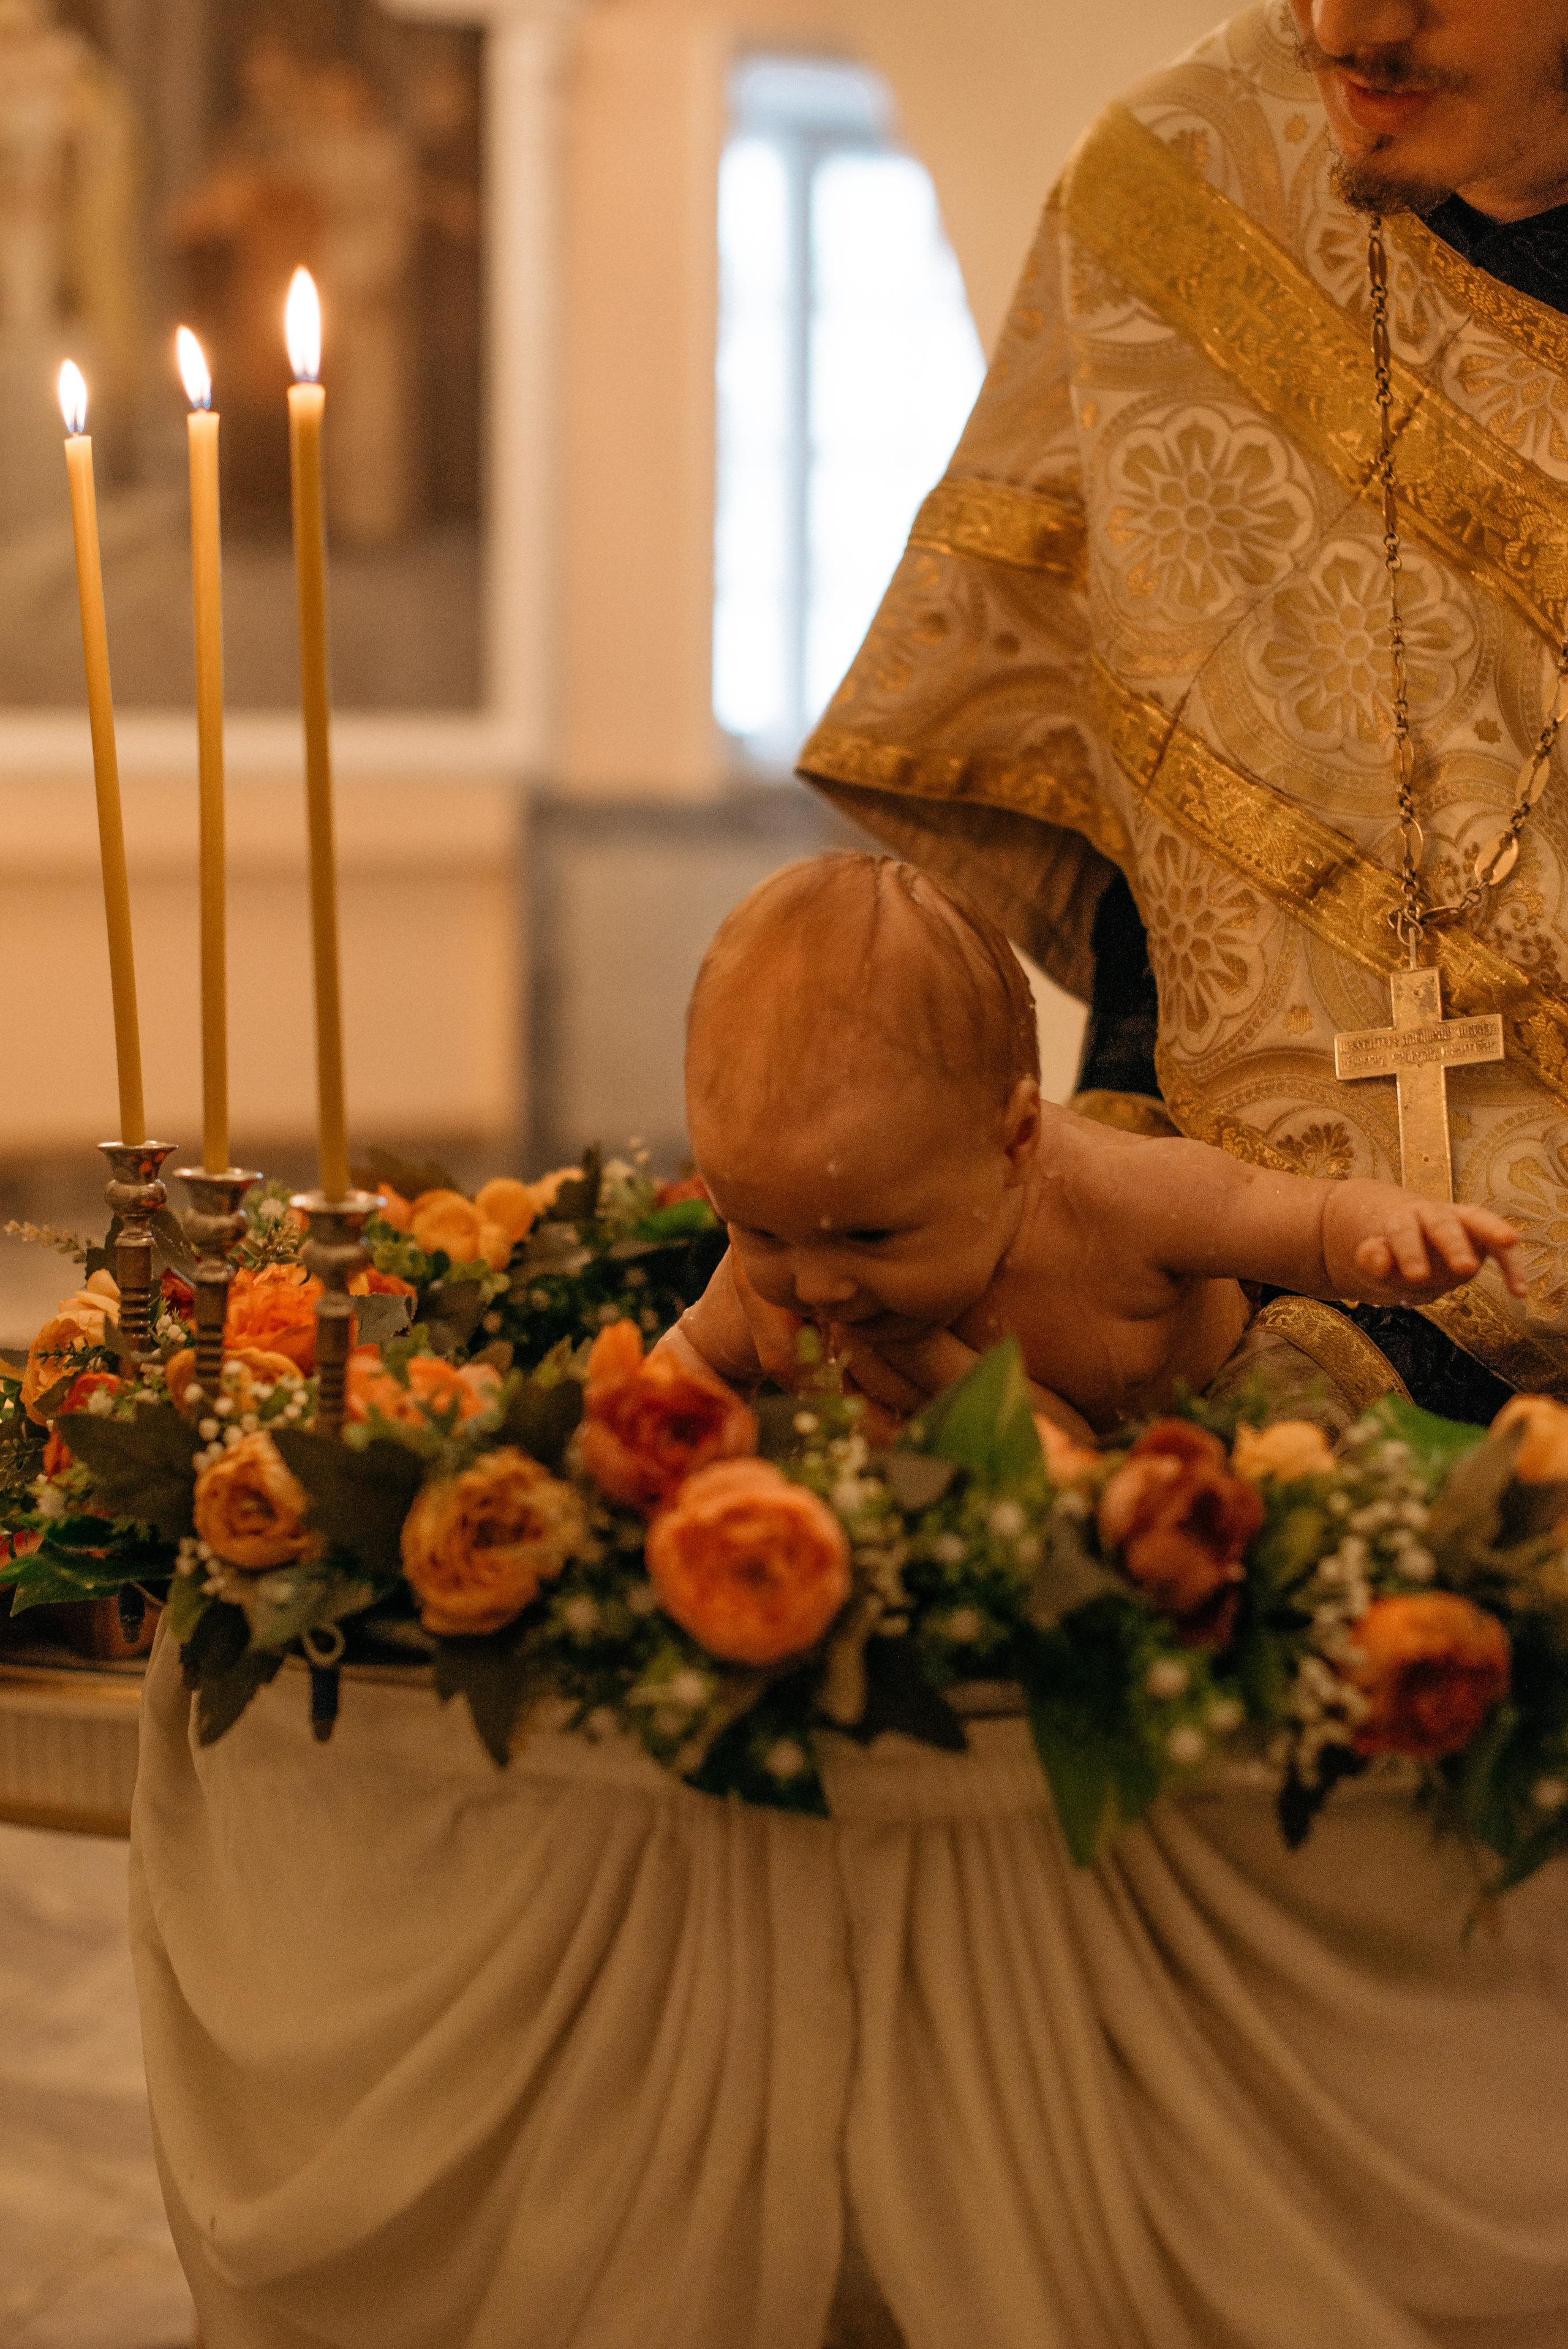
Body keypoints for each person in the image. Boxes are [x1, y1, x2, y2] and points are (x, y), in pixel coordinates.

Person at [798, 0, 1568, 1428]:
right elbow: (1142, 849)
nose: (1351, 25)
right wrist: (1110, 1198)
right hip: (1233, 1289)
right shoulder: (1184, 185)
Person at [668, 854, 1524, 1441]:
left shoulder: (1122, 1200)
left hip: (1198, 1463)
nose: (817, 1284)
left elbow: (1303, 1219)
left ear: (1018, 1140)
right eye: (762, 1232)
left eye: (871, 1237)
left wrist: (1397, 1235)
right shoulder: (783, 1255)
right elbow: (687, 1368)